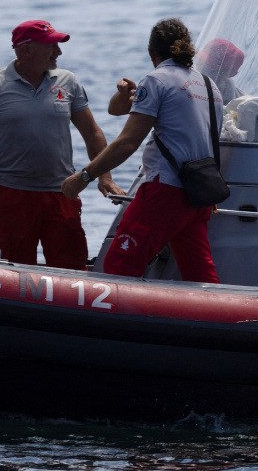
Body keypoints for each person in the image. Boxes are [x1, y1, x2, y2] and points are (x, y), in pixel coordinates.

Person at [60, 18, 224, 283]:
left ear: (152, 52)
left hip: (165, 193)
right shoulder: (207, 84)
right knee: (200, 274)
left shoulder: (156, 80)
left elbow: (127, 142)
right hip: (198, 197)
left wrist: (85, 177)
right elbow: (117, 110)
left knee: (119, 267)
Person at [0, 20, 120, 269]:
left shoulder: (68, 81)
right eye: (51, 46)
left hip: (62, 192)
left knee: (72, 269)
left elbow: (92, 132)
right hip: (11, 194)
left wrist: (105, 176)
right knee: (13, 271)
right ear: (25, 49)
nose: (58, 53)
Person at [197, 37, 245, 103]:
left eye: (208, 66)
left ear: (225, 74)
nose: (199, 64)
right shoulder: (193, 82)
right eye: (201, 59)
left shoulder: (231, 107)